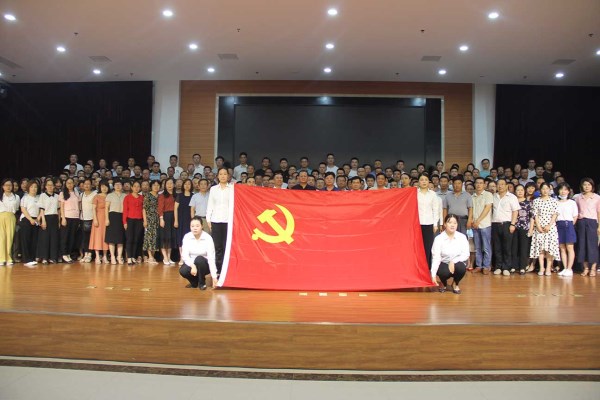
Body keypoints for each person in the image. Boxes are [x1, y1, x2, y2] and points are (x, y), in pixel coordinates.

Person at [431, 214, 469, 294]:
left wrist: (453, 261)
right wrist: (433, 274)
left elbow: (466, 254)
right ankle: (444, 283)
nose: (452, 225)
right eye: (450, 222)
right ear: (445, 224)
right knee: (443, 272)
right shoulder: (438, 239)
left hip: (457, 263)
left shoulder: (462, 237)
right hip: (444, 262)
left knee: (461, 267)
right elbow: (436, 257)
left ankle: (455, 283)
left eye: (455, 223)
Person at [179, 216, 218, 290]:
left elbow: (211, 258)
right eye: (192, 226)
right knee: (183, 271)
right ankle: (194, 282)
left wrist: (214, 277)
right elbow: (185, 255)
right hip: (192, 263)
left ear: (202, 226)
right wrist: (192, 265)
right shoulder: (187, 237)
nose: (195, 228)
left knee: (199, 259)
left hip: (204, 264)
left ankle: (202, 283)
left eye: (197, 226)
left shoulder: (208, 238)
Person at [206, 167, 233, 274]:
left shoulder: (232, 189)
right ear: (217, 176)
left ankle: (227, 270)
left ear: (228, 176)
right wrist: (208, 219)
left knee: (227, 246)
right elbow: (210, 205)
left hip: (228, 221)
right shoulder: (213, 189)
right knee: (217, 247)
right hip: (215, 221)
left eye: (225, 174)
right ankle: (218, 270)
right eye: (220, 174)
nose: (223, 176)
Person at [530, 182, 560, 276]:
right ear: (540, 190)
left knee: (549, 248)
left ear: (550, 190)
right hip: (539, 227)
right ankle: (541, 268)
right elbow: (535, 215)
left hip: (550, 227)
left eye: (547, 188)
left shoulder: (554, 201)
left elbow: (555, 214)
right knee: (540, 248)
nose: (545, 190)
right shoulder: (536, 201)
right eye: (543, 188)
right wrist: (538, 226)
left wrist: (549, 225)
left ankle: (548, 268)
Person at [491, 178, 520, 275]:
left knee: (507, 247)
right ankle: (498, 266)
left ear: (507, 186)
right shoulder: (494, 196)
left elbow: (515, 211)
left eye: (502, 184)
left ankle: (506, 267)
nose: (500, 186)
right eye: (498, 184)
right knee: (497, 247)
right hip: (495, 224)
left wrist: (512, 224)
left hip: (507, 224)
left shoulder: (512, 197)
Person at [573, 178, 600, 277]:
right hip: (581, 222)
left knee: (592, 246)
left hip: (592, 222)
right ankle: (585, 268)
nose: (587, 186)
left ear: (592, 186)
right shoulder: (577, 197)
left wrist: (599, 226)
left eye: (589, 184)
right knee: (582, 245)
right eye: (585, 184)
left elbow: (599, 212)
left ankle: (593, 268)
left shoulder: (597, 197)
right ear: (582, 186)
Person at [471, 177, 493, 274]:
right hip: (475, 225)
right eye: (477, 183)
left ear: (484, 185)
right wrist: (473, 221)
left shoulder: (488, 195)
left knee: (486, 247)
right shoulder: (472, 196)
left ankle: (486, 266)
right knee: (477, 247)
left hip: (485, 225)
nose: (479, 185)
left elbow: (487, 208)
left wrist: (478, 221)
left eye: (481, 183)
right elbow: (471, 210)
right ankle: (479, 265)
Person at [416, 174, 439, 268]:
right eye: (422, 180)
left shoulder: (433, 194)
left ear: (429, 181)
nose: (424, 182)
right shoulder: (415, 193)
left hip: (429, 223)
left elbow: (435, 209)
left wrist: (435, 224)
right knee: (418, 246)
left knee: (428, 245)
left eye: (426, 179)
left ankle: (427, 267)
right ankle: (418, 266)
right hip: (417, 224)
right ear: (418, 182)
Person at [556, 183, 578, 277]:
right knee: (562, 248)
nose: (563, 191)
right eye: (561, 189)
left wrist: (570, 226)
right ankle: (565, 268)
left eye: (565, 189)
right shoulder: (555, 202)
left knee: (569, 247)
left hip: (568, 224)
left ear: (568, 191)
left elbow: (575, 215)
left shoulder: (572, 202)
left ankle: (569, 268)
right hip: (558, 225)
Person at [512, 185, 535, 275]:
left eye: (522, 190)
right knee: (514, 248)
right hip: (514, 227)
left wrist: (531, 229)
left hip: (525, 227)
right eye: (518, 190)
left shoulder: (528, 203)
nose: (520, 192)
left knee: (524, 248)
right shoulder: (512, 202)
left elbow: (532, 217)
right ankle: (513, 266)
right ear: (515, 192)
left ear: (524, 191)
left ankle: (522, 267)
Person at [37, 179, 60, 264]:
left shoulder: (57, 196)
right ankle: (44, 258)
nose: (50, 187)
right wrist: (43, 220)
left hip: (55, 217)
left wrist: (59, 221)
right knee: (45, 238)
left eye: (52, 185)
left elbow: (58, 210)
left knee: (54, 238)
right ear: (45, 186)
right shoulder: (42, 196)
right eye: (48, 185)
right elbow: (41, 209)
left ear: (54, 186)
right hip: (46, 217)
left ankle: (53, 257)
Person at [58, 178, 81, 263]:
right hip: (66, 217)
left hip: (75, 217)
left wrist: (79, 217)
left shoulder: (76, 193)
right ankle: (64, 254)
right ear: (65, 184)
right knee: (65, 237)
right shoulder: (62, 193)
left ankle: (68, 254)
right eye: (68, 183)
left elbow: (79, 206)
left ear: (74, 184)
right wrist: (63, 218)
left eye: (71, 183)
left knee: (72, 237)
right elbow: (61, 207)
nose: (70, 184)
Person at [19, 181, 40, 267]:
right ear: (28, 188)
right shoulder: (25, 198)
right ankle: (26, 259)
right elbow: (23, 209)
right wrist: (30, 219)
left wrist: (38, 218)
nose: (33, 189)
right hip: (26, 219)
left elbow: (41, 209)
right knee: (26, 240)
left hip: (36, 220)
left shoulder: (39, 197)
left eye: (35, 187)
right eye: (31, 187)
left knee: (34, 240)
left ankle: (32, 258)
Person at [123, 180, 144, 266]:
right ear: (131, 187)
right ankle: (129, 257)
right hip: (130, 220)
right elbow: (125, 210)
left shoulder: (142, 197)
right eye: (134, 186)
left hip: (139, 220)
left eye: (138, 186)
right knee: (130, 239)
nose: (136, 188)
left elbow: (143, 210)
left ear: (140, 188)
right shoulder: (127, 197)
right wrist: (125, 222)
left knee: (136, 239)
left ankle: (132, 256)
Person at [105, 179, 126, 264]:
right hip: (112, 216)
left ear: (122, 186)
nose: (118, 186)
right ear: (113, 186)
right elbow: (106, 208)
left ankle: (119, 256)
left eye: (119, 184)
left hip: (122, 216)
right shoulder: (110, 195)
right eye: (116, 184)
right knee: (112, 239)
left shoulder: (125, 195)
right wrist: (107, 219)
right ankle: (112, 256)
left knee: (120, 239)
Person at [0, 179, 20, 266]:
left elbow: (16, 208)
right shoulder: (1, 196)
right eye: (6, 185)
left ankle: (9, 258)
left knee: (10, 238)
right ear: (3, 186)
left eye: (10, 185)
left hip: (11, 216)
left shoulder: (16, 197)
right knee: (2, 238)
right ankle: (1, 258)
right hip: (1, 216)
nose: (8, 187)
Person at [89, 180, 110, 264]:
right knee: (97, 237)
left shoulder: (110, 196)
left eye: (106, 186)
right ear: (100, 187)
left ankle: (105, 256)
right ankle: (97, 256)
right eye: (102, 186)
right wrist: (95, 219)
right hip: (98, 218)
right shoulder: (96, 196)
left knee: (106, 237)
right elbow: (93, 209)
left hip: (107, 218)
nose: (104, 188)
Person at [158, 178, 178, 265]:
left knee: (170, 238)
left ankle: (169, 257)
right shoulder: (162, 195)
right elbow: (160, 208)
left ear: (174, 185)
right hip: (165, 217)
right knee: (164, 238)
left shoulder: (176, 195)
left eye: (171, 183)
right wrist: (161, 218)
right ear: (165, 185)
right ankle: (165, 257)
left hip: (173, 217)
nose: (169, 185)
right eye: (167, 183)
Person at [174, 179, 193, 265]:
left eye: (189, 184)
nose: (187, 186)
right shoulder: (179, 196)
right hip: (181, 219)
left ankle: (188, 257)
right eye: (185, 184)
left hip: (190, 220)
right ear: (183, 185)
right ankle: (182, 257)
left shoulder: (193, 196)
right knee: (181, 238)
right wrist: (176, 220)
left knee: (189, 238)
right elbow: (175, 209)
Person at [142, 180, 160, 264]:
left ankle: (153, 256)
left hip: (158, 219)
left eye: (157, 185)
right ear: (151, 186)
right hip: (149, 219)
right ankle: (150, 256)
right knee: (149, 237)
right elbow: (144, 209)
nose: (156, 187)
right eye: (154, 185)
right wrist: (145, 220)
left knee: (156, 237)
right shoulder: (148, 196)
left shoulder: (160, 196)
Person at [79, 178, 96, 263]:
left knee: (91, 238)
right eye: (85, 184)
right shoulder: (81, 194)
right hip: (83, 218)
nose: (86, 185)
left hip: (92, 218)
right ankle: (85, 254)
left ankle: (90, 254)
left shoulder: (95, 194)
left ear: (91, 185)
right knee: (85, 238)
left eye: (88, 184)